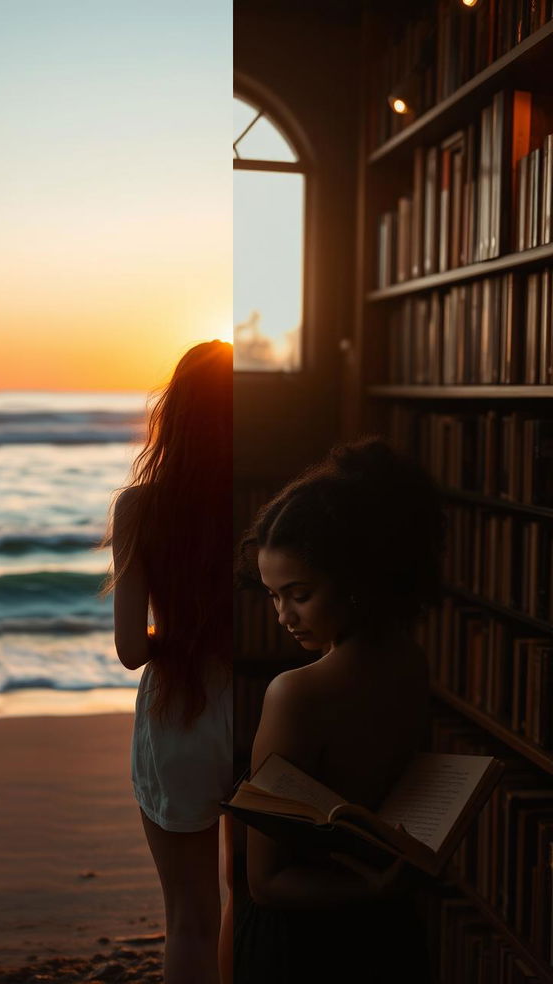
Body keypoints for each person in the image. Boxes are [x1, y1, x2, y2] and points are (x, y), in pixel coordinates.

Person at [233, 436, 446, 983]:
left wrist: (367, 888)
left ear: (353, 580)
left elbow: (263, 883)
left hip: (306, 942)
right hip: (388, 934)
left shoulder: (296, 692)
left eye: (299, 594)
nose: (283, 616)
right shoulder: (410, 659)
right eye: (272, 595)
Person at [103, 340, 234, 984]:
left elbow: (131, 651)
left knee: (189, 918)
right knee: (251, 898)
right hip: (266, 710)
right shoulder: (269, 497)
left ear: (173, 412)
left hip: (182, 712)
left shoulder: (141, 508)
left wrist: (176, 636)